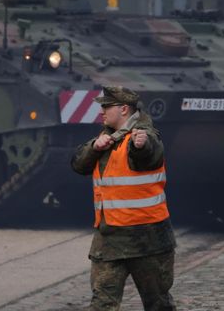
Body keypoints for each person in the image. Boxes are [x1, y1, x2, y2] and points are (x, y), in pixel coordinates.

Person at [70, 86, 176, 310]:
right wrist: (93, 148)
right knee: (102, 304)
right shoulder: (106, 138)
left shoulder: (145, 135)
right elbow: (78, 165)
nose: (102, 111)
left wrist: (141, 146)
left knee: (158, 304)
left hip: (147, 239)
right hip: (109, 238)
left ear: (124, 109)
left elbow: (150, 155)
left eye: (106, 106)